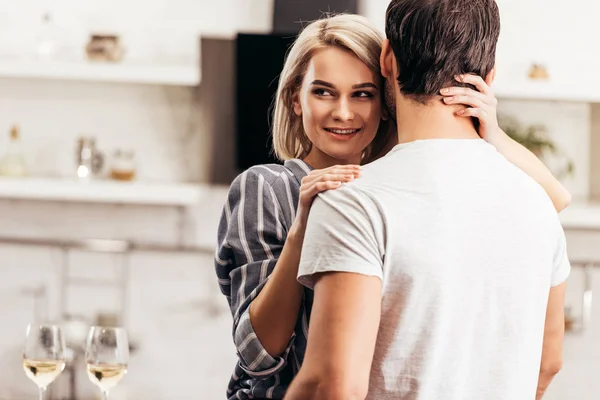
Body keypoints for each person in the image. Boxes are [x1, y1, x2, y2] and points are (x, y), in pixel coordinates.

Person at [216, 12, 571, 400]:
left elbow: (552, 200)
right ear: (295, 100)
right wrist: (301, 231)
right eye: (323, 92)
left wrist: (493, 132)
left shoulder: (387, 192)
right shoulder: (267, 187)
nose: (343, 112)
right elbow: (256, 355)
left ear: (386, 99)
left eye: (363, 94)